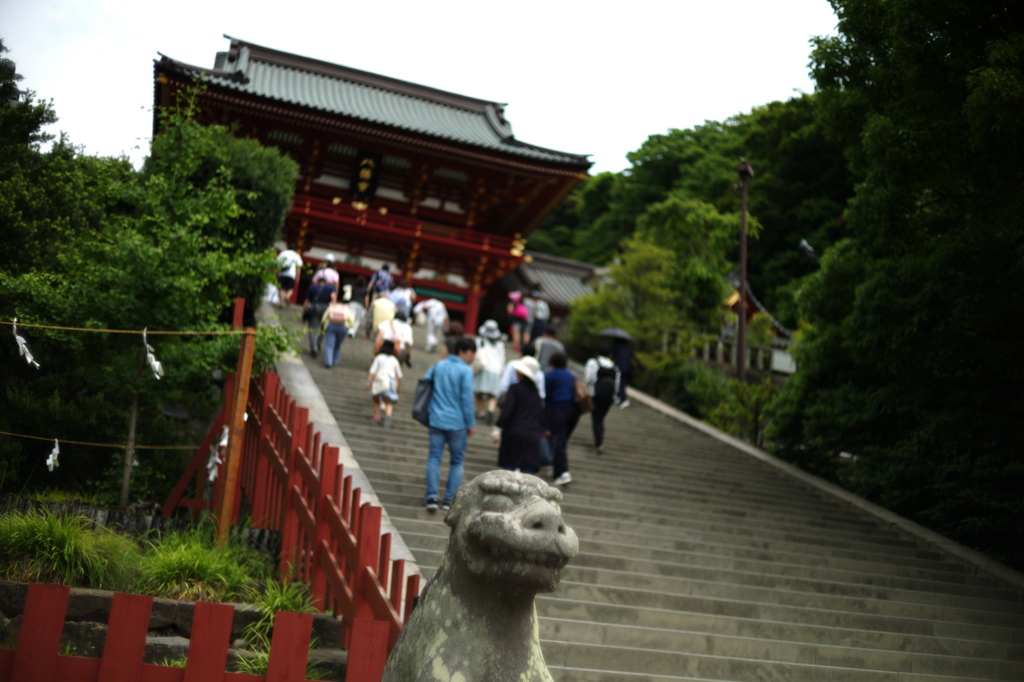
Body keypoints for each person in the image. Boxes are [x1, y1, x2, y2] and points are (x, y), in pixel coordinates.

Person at [422, 337, 477, 511]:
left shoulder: (439, 365)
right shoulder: (466, 370)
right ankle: (448, 500)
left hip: (437, 418)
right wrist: (470, 423)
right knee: (457, 462)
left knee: (434, 457)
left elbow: (425, 380)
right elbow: (467, 399)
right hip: (458, 422)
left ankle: (431, 496)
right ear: (462, 351)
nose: (472, 357)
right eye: (471, 353)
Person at [495, 355, 545, 474]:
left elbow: (507, 410)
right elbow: (541, 418)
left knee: (508, 477)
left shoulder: (515, 389)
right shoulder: (537, 395)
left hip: (514, 435)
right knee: (528, 481)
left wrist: (498, 426)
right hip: (532, 438)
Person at [545, 351, 579, 486]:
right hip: (573, 410)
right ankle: (556, 469)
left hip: (558, 408)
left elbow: (547, 396)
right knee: (562, 440)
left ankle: (564, 472)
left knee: (557, 440)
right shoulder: (572, 375)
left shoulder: (550, 375)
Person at [584, 346, 621, 453]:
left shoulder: (593, 362)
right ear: (610, 354)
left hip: (596, 394)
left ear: (597, 353)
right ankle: (599, 441)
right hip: (609, 397)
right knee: (600, 418)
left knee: (597, 418)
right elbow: (617, 384)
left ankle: (599, 443)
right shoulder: (614, 366)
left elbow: (588, 378)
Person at [473, 319, 506, 425]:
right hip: (496, 370)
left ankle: (481, 412)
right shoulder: (500, 344)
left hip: (483, 368)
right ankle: (491, 409)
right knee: (492, 395)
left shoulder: (480, 340)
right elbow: (502, 358)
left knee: (479, 393)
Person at [367, 339, 403, 429]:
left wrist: (369, 381)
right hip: (391, 380)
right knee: (388, 402)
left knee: (375, 398)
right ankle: (388, 419)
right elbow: (399, 375)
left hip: (379, 378)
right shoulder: (394, 360)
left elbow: (372, 370)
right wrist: (398, 386)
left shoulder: (379, 357)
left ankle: (377, 415)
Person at [301, 275, 335, 358]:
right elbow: (333, 299)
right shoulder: (330, 288)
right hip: (325, 309)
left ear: (318, 282)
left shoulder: (312, 288)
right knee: (323, 327)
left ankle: (314, 348)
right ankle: (319, 341)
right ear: (326, 283)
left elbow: (306, 301)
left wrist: (304, 313)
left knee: (313, 328)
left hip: (314, 307)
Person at [321, 297, 354, 369]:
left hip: (331, 326)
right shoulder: (346, 308)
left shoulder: (331, 307)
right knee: (337, 345)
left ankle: (328, 362)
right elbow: (352, 321)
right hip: (342, 328)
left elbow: (324, 318)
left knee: (329, 345)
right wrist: (347, 326)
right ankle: (334, 362)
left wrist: (324, 326)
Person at [611, 338, 640, 408]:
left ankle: (623, 399)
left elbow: (613, 356)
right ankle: (621, 398)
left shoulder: (616, 347)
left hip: (619, 368)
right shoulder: (629, 348)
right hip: (628, 369)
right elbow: (634, 357)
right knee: (623, 384)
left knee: (619, 384)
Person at [276, 243, 303, 308]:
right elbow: (298, 267)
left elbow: (278, 264)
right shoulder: (296, 255)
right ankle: (287, 297)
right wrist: (298, 277)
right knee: (291, 289)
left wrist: (277, 273)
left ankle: (282, 301)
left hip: (282, 274)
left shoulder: (283, 253)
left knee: (281, 288)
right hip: (291, 275)